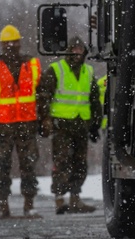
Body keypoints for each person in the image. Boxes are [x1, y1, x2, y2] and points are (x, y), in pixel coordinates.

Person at [0, 24, 42, 218]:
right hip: (3, 127)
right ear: (2, 45)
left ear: (20, 43)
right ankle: (3, 205)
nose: (11, 46)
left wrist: (46, 118)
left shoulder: (32, 66)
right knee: (2, 165)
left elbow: (43, 94)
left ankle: (29, 205)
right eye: (7, 43)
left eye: (14, 42)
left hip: (27, 125)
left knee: (29, 165)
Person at [37, 36, 101, 214]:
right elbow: (43, 96)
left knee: (80, 164)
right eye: (74, 49)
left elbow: (94, 100)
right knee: (62, 161)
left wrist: (95, 124)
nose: (77, 53)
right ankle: (59, 200)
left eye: (80, 50)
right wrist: (45, 119)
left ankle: (75, 199)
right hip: (62, 126)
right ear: (68, 51)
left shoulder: (88, 71)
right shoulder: (56, 70)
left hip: (81, 126)